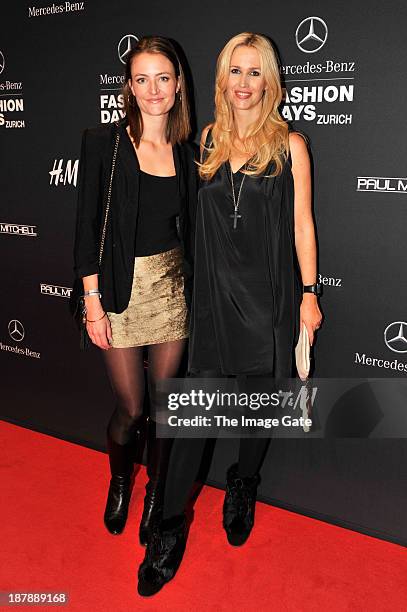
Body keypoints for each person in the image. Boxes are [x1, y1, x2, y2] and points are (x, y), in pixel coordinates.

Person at [137, 32, 322, 596]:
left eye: (253, 72)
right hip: (214, 302)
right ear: (222, 81)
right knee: (194, 418)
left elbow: (302, 225)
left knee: (258, 406)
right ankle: (169, 526)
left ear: (269, 80)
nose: (243, 84)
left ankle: (244, 482)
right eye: (233, 72)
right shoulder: (208, 141)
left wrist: (309, 294)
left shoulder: (291, 145)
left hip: (269, 299)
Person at [72, 36, 197, 547]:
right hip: (120, 291)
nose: (153, 89)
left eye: (162, 78)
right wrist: (92, 301)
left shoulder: (189, 153)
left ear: (177, 85)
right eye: (142, 78)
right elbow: (85, 229)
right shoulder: (104, 144)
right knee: (133, 409)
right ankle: (121, 478)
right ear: (129, 86)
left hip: (172, 290)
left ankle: (156, 494)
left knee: (166, 408)